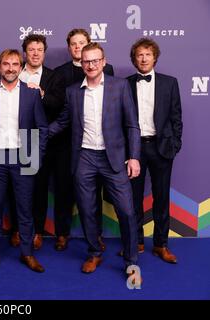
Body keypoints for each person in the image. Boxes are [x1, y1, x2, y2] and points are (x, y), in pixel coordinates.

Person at [50, 43, 141, 281]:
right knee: (88, 210)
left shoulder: (120, 86)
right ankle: (94, 251)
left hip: (114, 159)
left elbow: (132, 124)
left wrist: (134, 157)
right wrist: (38, 133)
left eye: (95, 60)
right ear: (81, 63)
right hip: (85, 158)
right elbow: (62, 122)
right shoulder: (72, 91)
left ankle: (131, 261)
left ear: (103, 62)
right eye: (85, 61)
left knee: (127, 211)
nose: (90, 65)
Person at [0, 49, 48, 277]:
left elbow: (42, 128)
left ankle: (27, 253)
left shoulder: (31, 94)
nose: (10, 68)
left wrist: (36, 155)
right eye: (6, 64)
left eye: (15, 64)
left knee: (25, 209)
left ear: (20, 67)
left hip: (23, 157)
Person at [43, 28, 114, 251]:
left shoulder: (107, 70)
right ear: (69, 47)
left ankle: (96, 235)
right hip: (66, 143)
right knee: (63, 190)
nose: (77, 47)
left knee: (95, 193)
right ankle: (62, 233)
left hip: (98, 144)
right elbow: (55, 109)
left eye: (81, 42)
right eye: (73, 43)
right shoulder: (59, 73)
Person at [127, 38, 182, 263]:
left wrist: (174, 144)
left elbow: (176, 117)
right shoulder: (125, 83)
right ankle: (135, 242)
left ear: (155, 57)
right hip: (134, 149)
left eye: (147, 54)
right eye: (139, 55)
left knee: (161, 198)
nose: (143, 58)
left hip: (161, 148)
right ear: (134, 59)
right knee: (133, 198)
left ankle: (161, 244)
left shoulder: (170, 83)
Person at [9, 34, 53, 250]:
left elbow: (60, 107)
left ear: (44, 53)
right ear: (24, 53)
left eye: (39, 50)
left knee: (38, 190)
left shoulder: (53, 77)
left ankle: (36, 231)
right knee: (15, 189)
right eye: (31, 49)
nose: (35, 53)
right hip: (13, 143)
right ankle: (17, 229)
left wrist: (41, 96)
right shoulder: (13, 73)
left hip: (38, 143)